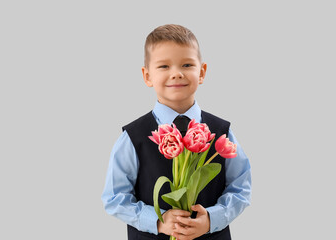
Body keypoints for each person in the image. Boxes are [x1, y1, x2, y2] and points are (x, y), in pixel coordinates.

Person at [101, 24, 251, 240]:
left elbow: (241, 187)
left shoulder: (221, 132)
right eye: (163, 66)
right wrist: (158, 220)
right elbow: (115, 197)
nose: (177, 74)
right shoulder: (133, 137)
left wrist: (211, 218)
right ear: (147, 76)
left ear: (202, 72)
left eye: (187, 64)